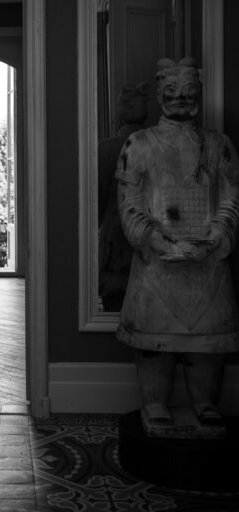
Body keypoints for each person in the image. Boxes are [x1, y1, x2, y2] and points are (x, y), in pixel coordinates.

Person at [115, 57, 239, 435]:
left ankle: (205, 403)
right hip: (156, 263)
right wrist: (155, 240)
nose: (181, 98)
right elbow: (129, 202)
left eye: (188, 91)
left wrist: (214, 238)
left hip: (208, 261)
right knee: (154, 344)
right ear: (160, 96)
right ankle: (155, 403)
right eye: (172, 92)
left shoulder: (219, 144)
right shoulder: (139, 144)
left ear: (198, 93)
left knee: (206, 345)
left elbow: (231, 197)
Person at [97, 82, 149, 312]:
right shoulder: (158, 148)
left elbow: (95, 204)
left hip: (114, 251)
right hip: (152, 245)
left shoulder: (105, 150)